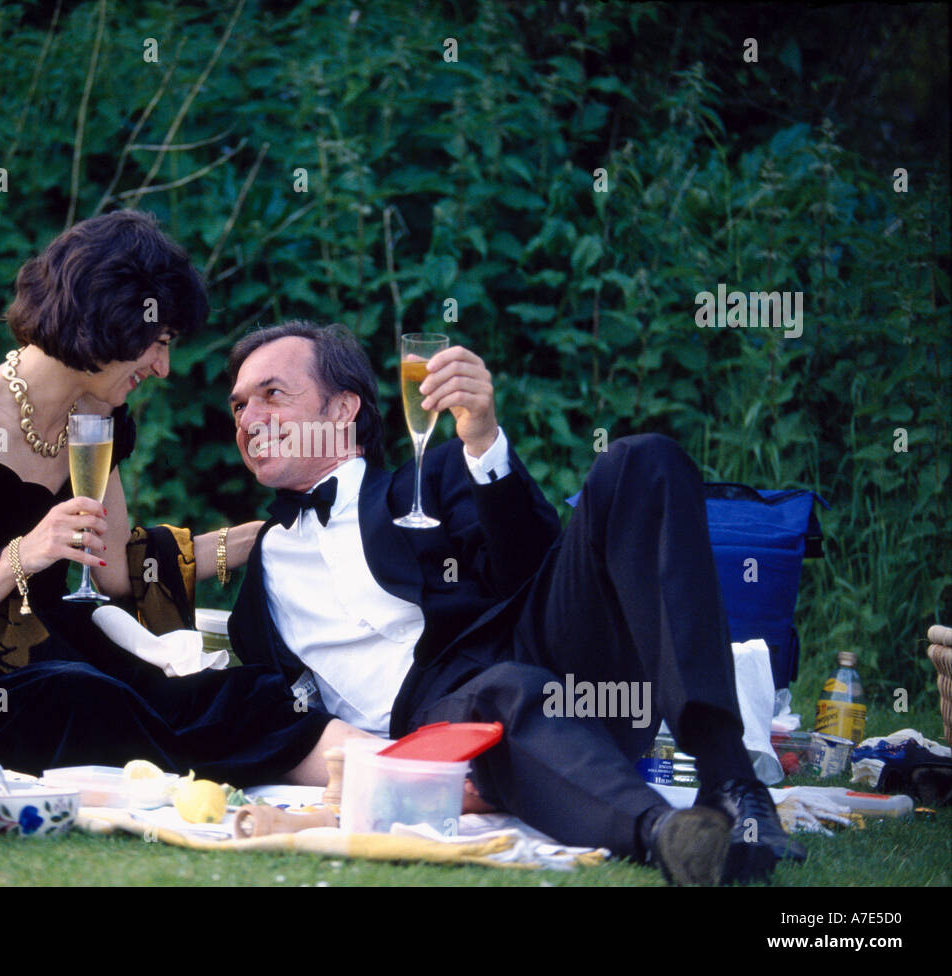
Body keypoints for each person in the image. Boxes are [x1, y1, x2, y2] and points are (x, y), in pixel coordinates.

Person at [0, 213, 359, 784]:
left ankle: (399, 765)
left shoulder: (100, 415)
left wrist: (261, 537)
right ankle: (205, 775)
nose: (164, 366)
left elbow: (116, 576)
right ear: (110, 322)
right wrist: (26, 554)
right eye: (157, 342)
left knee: (230, 689)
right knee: (84, 697)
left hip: (71, 651)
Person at [224, 320, 807, 884]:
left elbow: (529, 567)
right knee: (504, 689)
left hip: (563, 663)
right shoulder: (257, 592)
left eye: (271, 394)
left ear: (343, 409)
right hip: (446, 726)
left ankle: (731, 782)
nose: (250, 419)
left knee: (642, 459)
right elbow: (277, 717)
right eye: (239, 406)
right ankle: (670, 835)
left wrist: (481, 439)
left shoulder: (437, 476)